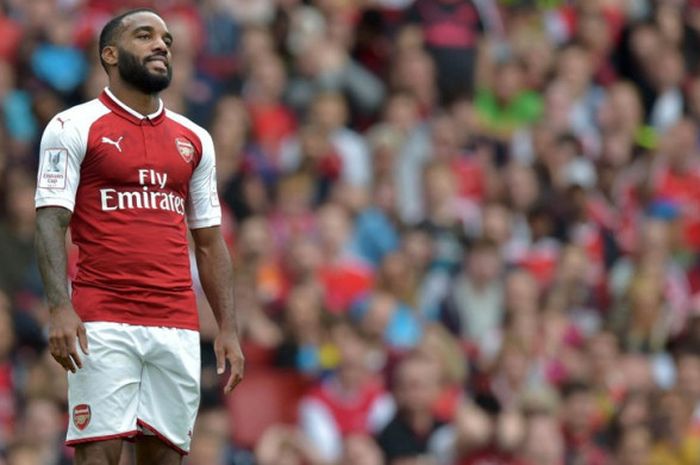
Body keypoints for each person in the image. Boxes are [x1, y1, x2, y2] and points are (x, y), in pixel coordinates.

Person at [33, 8, 244, 465]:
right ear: (110, 54)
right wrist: (58, 306)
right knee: (99, 456)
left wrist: (227, 325)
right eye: (144, 35)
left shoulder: (196, 139)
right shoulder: (73, 126)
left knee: (166, 458)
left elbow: (209, 241)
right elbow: (50, 221)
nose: (160, 45)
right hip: (102, 319)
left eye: (166, 39)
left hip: (177, 323)